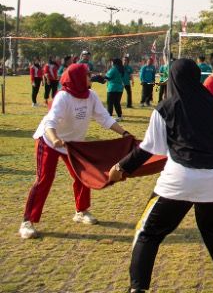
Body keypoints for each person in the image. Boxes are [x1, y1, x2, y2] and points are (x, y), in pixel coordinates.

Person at [108, 59, 213, 291]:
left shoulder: (165, 108)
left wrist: (120, 168)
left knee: (147, 232)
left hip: (181, 180)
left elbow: (149, 149)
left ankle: (137, 287)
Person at [19, 64, 131, 239]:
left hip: (73, 144)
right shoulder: (63, 97)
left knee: (82, 176)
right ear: (77, 78)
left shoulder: (91, 96)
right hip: (49, 141)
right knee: (44, 179)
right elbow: (50, 122)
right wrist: (55, 139)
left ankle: (81, 211)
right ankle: (27, 222)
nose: (90, 78)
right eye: (88, 75)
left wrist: (124, 133)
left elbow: (104, 118)